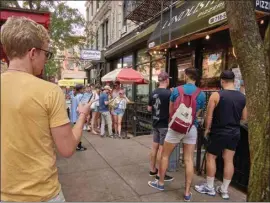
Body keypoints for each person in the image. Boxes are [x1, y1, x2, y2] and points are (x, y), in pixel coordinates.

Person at [1, 16, 91, 202]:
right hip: (42, 194)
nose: (46, 60)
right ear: (33, 53)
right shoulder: (49, 91)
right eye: (46, 53)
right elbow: (66, 149)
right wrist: (82, 115)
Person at [148, 68, 206, 202]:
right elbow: (198, 113)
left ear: (186, 76)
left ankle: (160, 183)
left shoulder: (176, 90)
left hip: (175, 128)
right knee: (189, 160)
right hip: (191, 128)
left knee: (165, 155)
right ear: (196, 78)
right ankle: (187, 193)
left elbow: (171, 110)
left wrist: (174, 122)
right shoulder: (201, 94)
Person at [195, 70, 247, 200]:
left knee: (210, 157)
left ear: (222, 81)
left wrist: (207, 129)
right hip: (235, 132)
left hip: (218, 132)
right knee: (229, 160)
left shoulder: (216, 95)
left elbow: (209, 116)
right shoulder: (242, 97)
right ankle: (224, 190)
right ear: (234, 81)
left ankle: (210, 187)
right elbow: (244, 117)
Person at [147, 72, 174, 182]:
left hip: (155, 123)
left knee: (154, 148)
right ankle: (159, 174)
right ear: (167, 80)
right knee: (162, 150)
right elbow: (171, 110)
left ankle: (152, 170)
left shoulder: (153, 92)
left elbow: (149, 109)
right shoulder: (169, 94)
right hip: (164, 125)